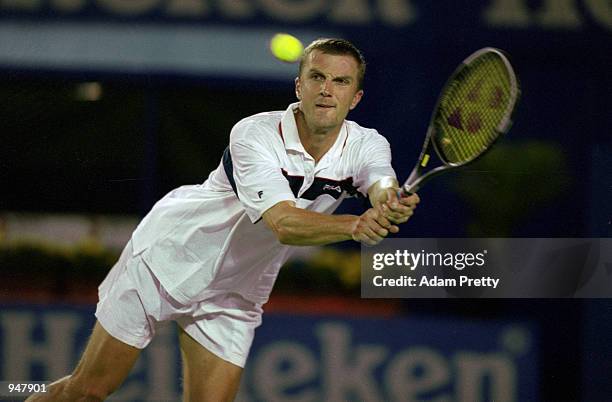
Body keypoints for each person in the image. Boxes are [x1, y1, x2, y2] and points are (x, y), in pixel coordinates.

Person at [27, 38, 419, 402]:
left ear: (356, 97)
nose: (327, 89)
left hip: (236, 289)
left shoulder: (368, 144)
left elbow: (381, 183)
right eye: (317, 77)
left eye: (340, 81)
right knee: (88, 391)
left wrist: (389, 202)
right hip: (170, 258)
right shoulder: (254, 134)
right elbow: (283, 223)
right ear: (299, 86)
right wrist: (354, 225)